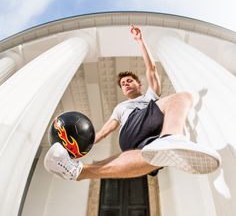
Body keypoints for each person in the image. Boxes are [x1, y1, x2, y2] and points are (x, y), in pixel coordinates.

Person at [44, 25, 221, 181]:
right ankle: (171, 138)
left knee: (153, 158)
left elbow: (151, 69)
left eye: (129, 81)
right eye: (123, 84)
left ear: (139, 84)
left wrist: (140, 41)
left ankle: (77, 171)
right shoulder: (121, 108)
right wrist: (77, 147)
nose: (126, 84)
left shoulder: (149, 95)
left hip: (150, 134)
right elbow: (105, 132)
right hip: (131, 127)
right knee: (182, 98)